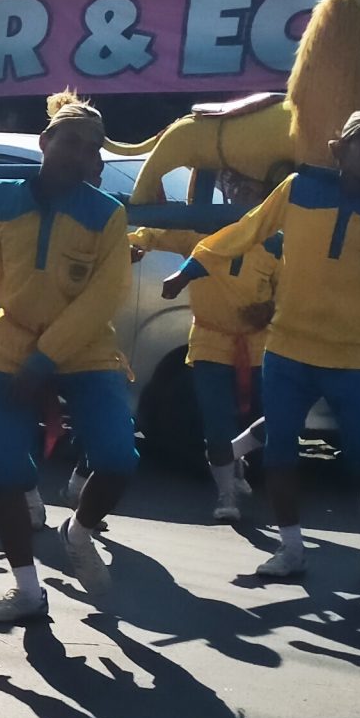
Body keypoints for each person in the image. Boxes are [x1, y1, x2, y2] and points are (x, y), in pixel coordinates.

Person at [195, 109, 360, 581]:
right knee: (281, 452)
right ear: (338, 148)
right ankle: (291, 548)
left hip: (353, 357)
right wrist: (194, 264)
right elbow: (247, 230)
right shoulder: (299, 189)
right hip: (287, 349)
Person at [0, 96, 139, 627]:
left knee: (119, 458)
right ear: (46, 142)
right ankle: (28, 590)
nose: (78, 154)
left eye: (90, 148)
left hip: (87, 350)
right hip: (12, 347)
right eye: (69, 141)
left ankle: (78, 532)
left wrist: (45, 361)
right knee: (3, 473)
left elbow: (104, 298)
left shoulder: (108, 214)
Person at [137, 169, 277, 524]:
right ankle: (225, 494)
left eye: (252, 185)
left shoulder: (277, 242)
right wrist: (136, 242)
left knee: (274, 417)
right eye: (237, 185)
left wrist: (272, 309)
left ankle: (236, 458)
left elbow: (293, 291)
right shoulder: (204, 230)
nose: (243, 191)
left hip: (260, 346)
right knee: (216, 421)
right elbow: (158, 233)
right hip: (210, 342)